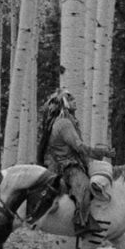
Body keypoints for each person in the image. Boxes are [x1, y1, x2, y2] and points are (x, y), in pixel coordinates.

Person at [37, 89, 114, 237]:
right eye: (71, 99)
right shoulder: (64, 123)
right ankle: (80, 222)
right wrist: (102, 153)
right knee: (84, 187)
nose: (74, 101)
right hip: (67, 166)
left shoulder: (64, 121)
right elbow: (79, 147)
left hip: (69, 163)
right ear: (64, 104)